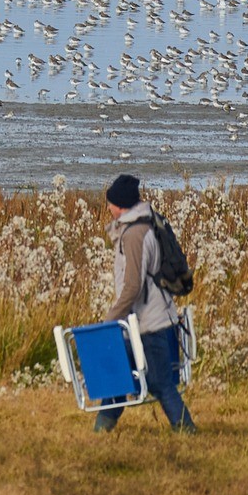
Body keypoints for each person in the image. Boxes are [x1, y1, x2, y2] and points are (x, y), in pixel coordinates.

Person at [95, 173, 196, 432]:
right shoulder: (143, 225)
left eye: (110, 203)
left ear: (120, 205)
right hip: (139, 321)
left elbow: (132, 286)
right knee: (119, 379)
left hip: (150, 323)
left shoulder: (134, 235)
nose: (108, 208)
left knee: (160, 383)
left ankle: (187, 431)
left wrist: (110, 320)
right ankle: (101, 431)